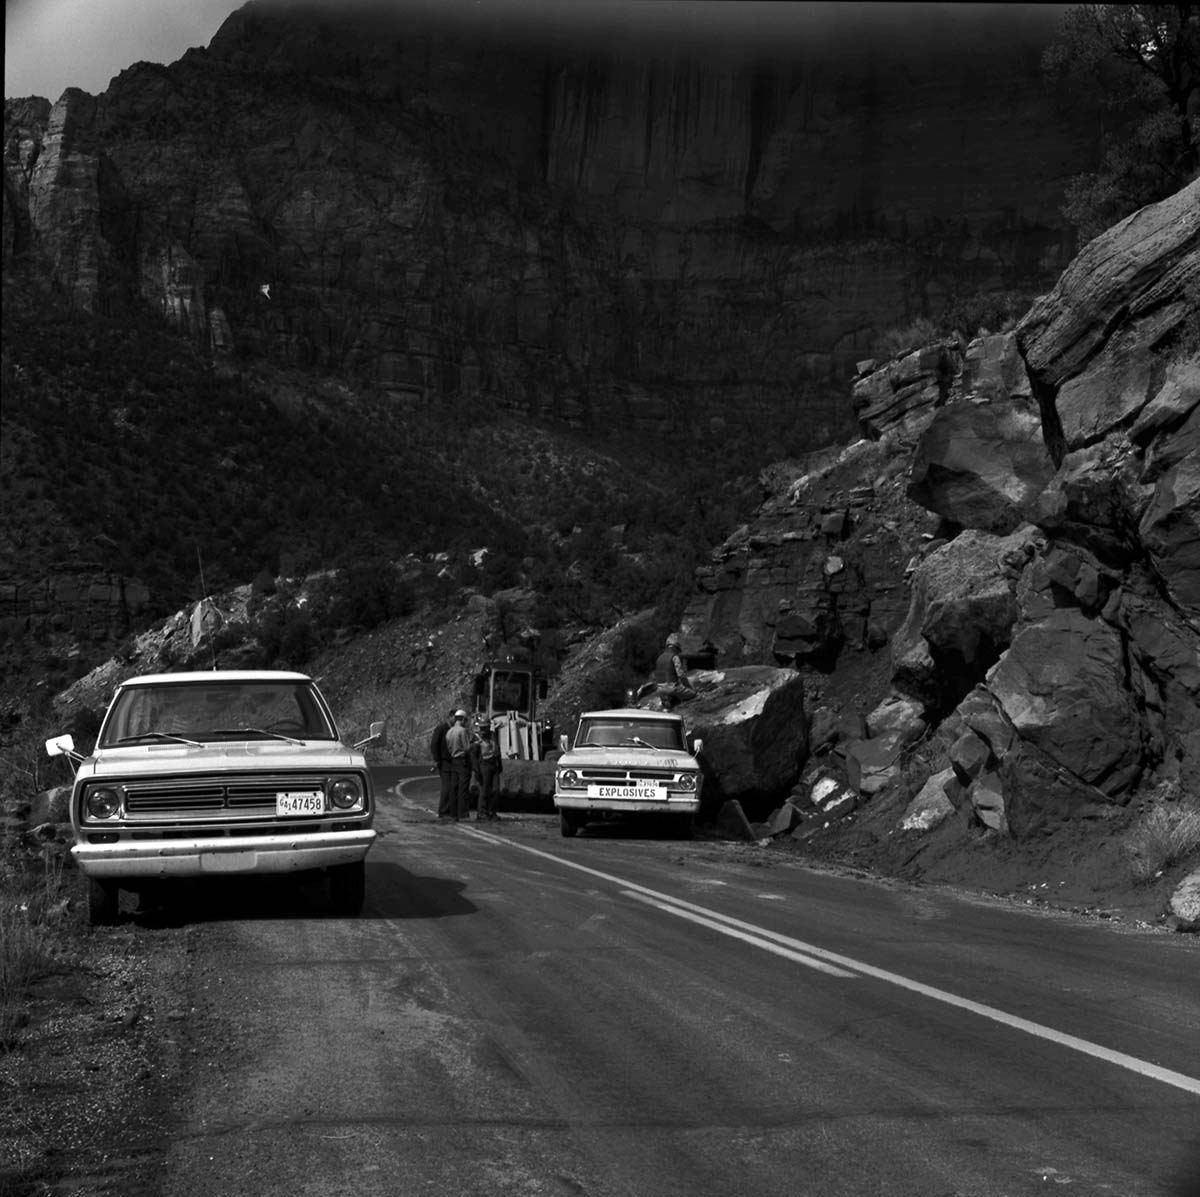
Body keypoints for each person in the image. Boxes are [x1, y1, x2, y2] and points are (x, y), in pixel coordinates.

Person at [470, 722, 504, 821]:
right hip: (483, 765)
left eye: (486, 727)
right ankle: (482, 813)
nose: (484, 730)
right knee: (484, 790)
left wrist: (500, 764)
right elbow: (473, 756)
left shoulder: (493, 735)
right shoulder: (477, 738)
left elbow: (497, 750)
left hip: (494, 765)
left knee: (495, 790)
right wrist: (476, 770)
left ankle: (492, 812)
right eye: (483, 728)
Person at [651, 632, 696, 708]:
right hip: (672, 688)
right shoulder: (674, 657)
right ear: (676, 647)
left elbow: (655, 677)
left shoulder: (659, 658)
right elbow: (681, 675)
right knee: (694, 695)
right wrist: (690, 688)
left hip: (660, 689)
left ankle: (669, 701)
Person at [444, 708, 473, 821]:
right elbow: (467, 748)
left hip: (453, 760)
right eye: (465, 719)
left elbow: (448, 746)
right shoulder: (463, 731)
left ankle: (453, 813)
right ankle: (462, 813)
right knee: (463, 788)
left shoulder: (449, 731)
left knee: (453, 787)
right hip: (462, 761)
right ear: (462, 719)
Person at [429, 708, 456, 822]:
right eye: (455, 718)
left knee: (452, 786)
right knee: (446, 787)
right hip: (444, 761)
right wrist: (436, 759)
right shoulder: (441, 728)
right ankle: (443, 811)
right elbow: (434, 744)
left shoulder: (454, 729)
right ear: (450, 717)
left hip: (452, 761)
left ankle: (449, 810)